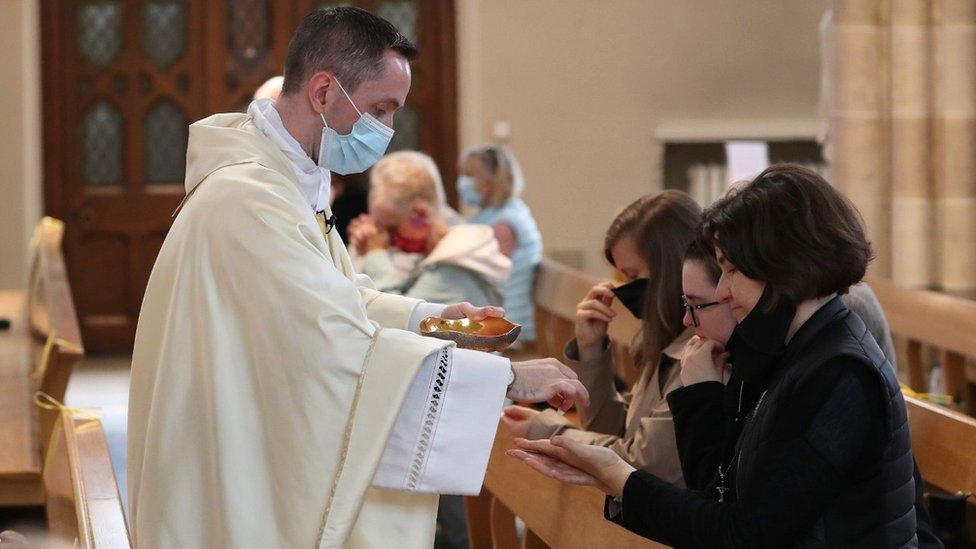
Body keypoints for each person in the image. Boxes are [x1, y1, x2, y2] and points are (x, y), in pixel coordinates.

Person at [127, 8, 589, 548]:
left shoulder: (287, 181)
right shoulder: (249, 202)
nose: (388, 131)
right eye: (380, 109)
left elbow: (336, 302)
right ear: (323, 92)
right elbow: (335, 351)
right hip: (230, 484)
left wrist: (432, 320)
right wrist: (508, 380)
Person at [509, 165, 924, 547]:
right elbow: (717, 488)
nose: (722, 290)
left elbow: (745, 533)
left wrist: (621, 478)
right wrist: (702, 395)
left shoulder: (838, 372)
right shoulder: (788, 348)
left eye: (731, 270)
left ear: (780, 266)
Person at [501, 191, 723, 486]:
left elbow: (642, 462)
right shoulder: (668, 340)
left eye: (633, 276)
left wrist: (548, 430)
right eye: (621, 278)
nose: (624, 291)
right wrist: (591, 351)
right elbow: (618, 431)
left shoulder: (701, 352)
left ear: (670, 271)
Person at [348, 151, 507, 307]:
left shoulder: (453, 262)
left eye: (390, 229)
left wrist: (375, 253)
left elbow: (398, 316)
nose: (383, 239)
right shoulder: (443, 247)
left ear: (420, 213)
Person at [457, 146, 542, 344]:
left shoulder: (504, 223)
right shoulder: (498, 213)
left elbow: (480, 272)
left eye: (469, 175)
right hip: (495, 314)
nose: (462, 182)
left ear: (490, 181)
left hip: (506, 326)